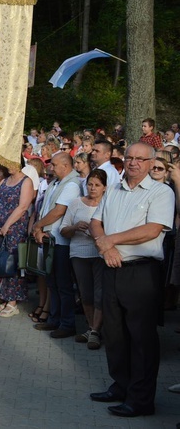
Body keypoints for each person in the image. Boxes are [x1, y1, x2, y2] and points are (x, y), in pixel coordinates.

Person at [88, 142, 174, 418]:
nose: (134, 163)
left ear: (151, 163)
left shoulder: (161, 192)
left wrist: (111, 240)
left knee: (141, 338)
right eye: (129, 157)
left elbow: (153, 229)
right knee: (114, 334)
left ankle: (140, 399)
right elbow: (95, 222)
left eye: (140, 159)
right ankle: (120, 385)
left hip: (141, 272)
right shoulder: (113, 189)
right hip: (111, 267)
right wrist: (107, 246)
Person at [31, 152, 81, 339]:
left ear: (66, 166)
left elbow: (59, 211)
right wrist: (39, 229)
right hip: (49, 238)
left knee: (63, 284)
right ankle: (54, 319)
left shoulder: (72, 184)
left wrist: (38, 225)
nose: (50, 167)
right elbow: (47, 208)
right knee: (53, 282)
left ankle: (67, 323)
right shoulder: (56, 182)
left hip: (61, 241)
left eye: (53, 164)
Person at [60, 169, 107, 350]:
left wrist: (98, 233)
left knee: (100, 293)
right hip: (79, 252)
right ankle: (91, 328)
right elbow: (63, 229)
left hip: (99, 254)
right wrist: (75, 227)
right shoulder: (76, 203)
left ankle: (95, 331)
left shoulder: (108, 203)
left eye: (97, 185)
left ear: (104, 187)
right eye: (90, 184)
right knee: (85, 293)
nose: (93, 188)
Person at [0, 162, 33, 318]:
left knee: (13, 263)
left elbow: (23, 207)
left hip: (15, 228)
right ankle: (4, 295)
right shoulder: (4, 181)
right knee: (0, 261)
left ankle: (13, 301)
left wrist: (7, 225)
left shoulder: (26, 181)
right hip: (0, 228)